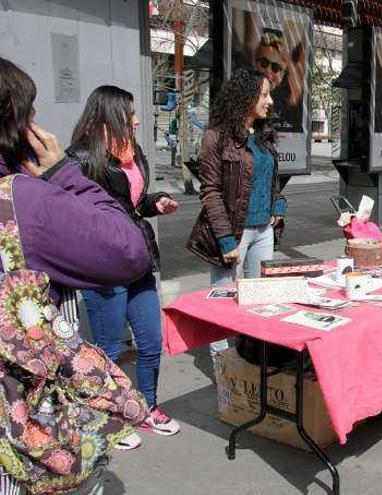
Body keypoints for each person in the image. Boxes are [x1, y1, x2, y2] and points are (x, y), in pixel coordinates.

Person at [0, 57, 152, 495]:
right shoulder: (25, 199)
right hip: (26, 432)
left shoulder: (132, 155)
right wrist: (64, 175)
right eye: (29, 113)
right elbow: (126, 249)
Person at [67, 86, 183, 449]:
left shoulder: (132, 153)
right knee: (108, 351)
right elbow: (70, 212)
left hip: (137, 260)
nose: (136, 120)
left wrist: (153, 204)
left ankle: (147, 407)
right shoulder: (82, 157)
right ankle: (109, 418)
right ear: (109, 115)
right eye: (129, 114)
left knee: (151, 342)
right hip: (104, 267)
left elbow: (128, 203)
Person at [187, 68, 287, 358]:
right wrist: (226, 240)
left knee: (257, 301)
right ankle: (222, 367)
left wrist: (277, 207)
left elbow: (272, 180)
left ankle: (249, 359)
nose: (270, 101)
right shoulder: (216, 136)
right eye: (264, 95)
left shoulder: (264, 136)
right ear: (245, 97)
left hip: (263, 231)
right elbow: (210, 191)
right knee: (223, 302)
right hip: (232, 233)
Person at [253, 31, 305, 133]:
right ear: (255, 63)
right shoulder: (246, 97)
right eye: (264, 63)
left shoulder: (283, 100)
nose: (269, 70)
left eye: (275, 67)